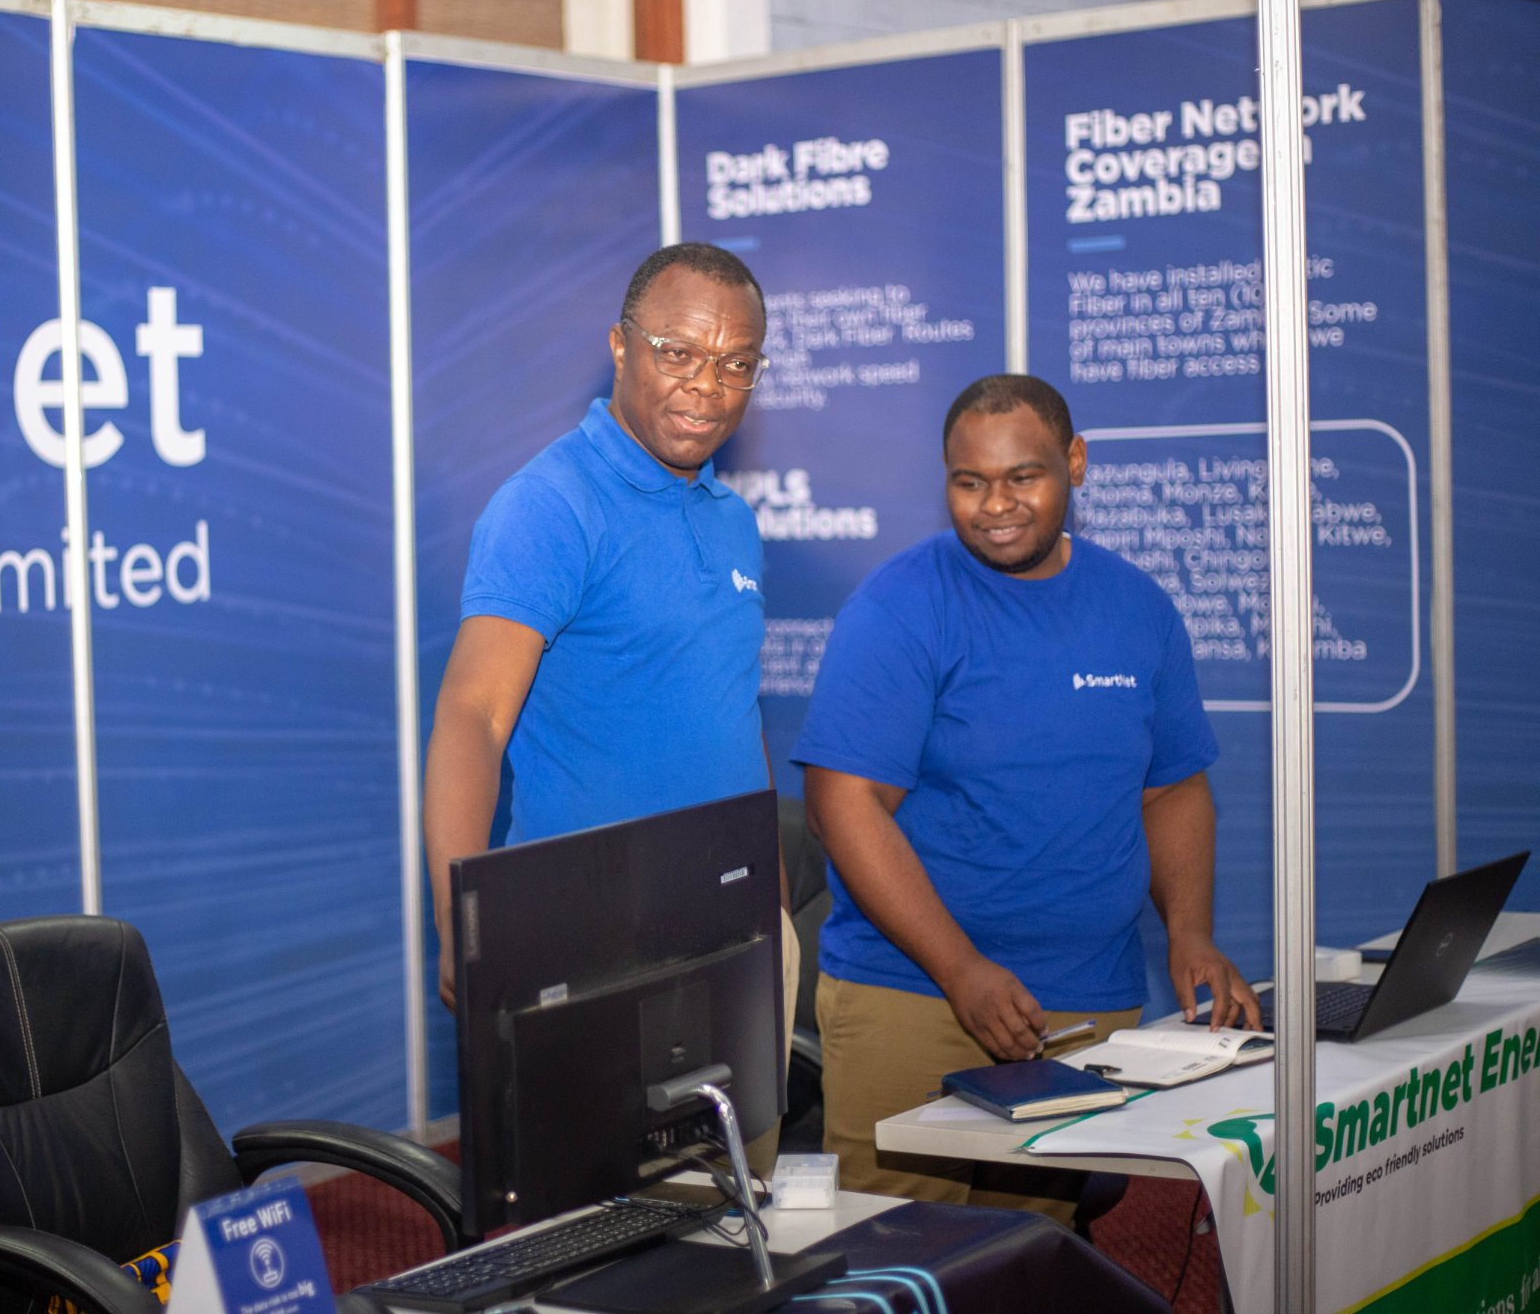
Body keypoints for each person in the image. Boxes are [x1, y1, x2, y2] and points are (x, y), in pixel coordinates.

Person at [793, 372, 1261, 1219]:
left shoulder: (1138, 608)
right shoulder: (900, 606)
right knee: (898, 1252)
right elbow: (844, 804)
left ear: (1075, 463)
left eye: (1023, 477)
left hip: (1086, 1003)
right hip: (916, 996)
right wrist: (960, 969)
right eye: (969, 481)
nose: (995, 505)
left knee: (1032, 1257)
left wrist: (1189, 931)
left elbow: (1173, 789)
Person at [423, 241, 785, 1014]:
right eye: (679, 352)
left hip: (732, 928)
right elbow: (472, 715)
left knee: (745, 1106)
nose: (708, 385)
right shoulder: (552, 504)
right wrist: (461, 921)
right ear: (621, 347)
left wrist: (774, 896)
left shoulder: (734, 520)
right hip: (587, 940)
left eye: (737, 363)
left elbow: (734, 709)